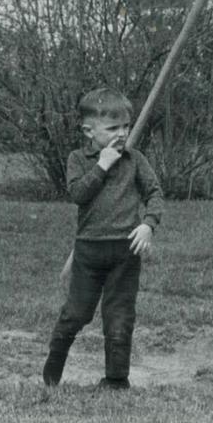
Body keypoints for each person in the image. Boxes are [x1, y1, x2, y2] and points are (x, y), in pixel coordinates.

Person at [42, 88, 165, 391]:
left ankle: (116, 379)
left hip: (125, 252)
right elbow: (78, 194)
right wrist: (102, 164)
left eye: (125, 126)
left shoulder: (135, 160)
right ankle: (53, 368)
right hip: (89, 252)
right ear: (89, 131)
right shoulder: (77, 160)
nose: (122, 133)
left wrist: (149, 224)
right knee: (76, 313)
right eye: (113, 128)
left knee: (119, 316)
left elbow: (155, 193)